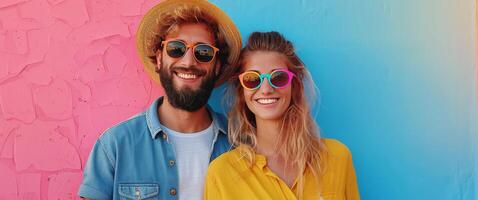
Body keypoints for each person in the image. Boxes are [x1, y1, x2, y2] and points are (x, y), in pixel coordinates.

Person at [78, 0, 242, 199]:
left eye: (203, 52)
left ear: (216, 66)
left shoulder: (241, 144)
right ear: (158, 59)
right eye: (176, 49)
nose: (189, 62)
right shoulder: (115, 145)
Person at [204, 31, 360, 200]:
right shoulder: (222, 174)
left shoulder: (337, 158)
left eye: (278, 77)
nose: (266, 89)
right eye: (252, 79)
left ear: (295, 85)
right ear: (242, 91)